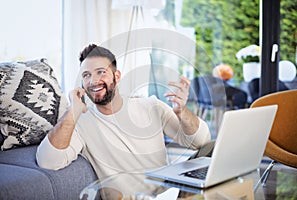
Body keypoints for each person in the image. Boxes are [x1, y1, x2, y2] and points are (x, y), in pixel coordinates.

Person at [36, 44, 211, 182]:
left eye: (101, 72)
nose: (93, 80)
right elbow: (48, 161)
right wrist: (72, 111)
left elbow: (201, 141)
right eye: (86, 75)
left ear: (117, 76)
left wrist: (182, 111)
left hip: (167, 194)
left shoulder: (150, 106)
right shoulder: (81, 122)